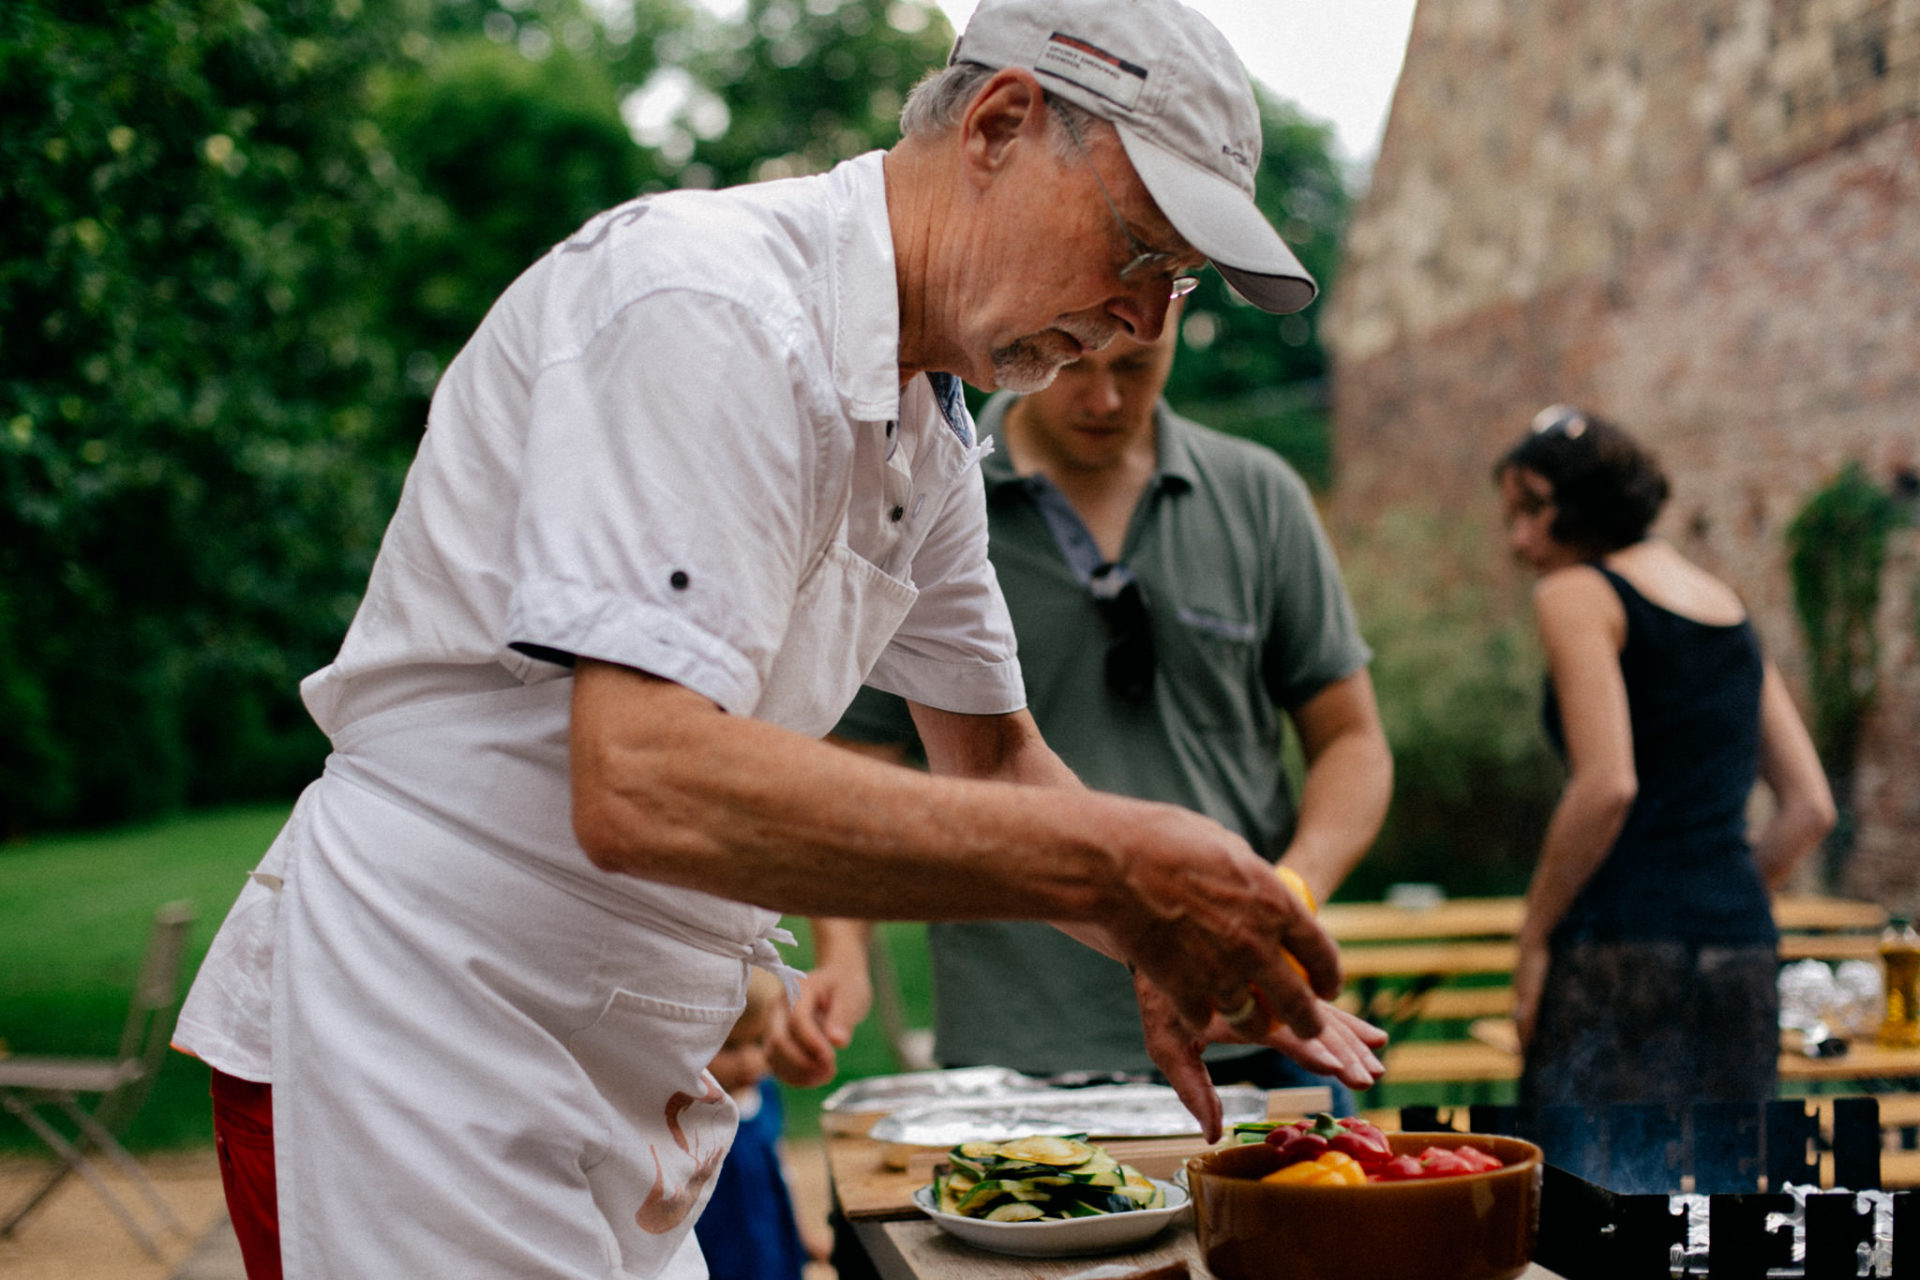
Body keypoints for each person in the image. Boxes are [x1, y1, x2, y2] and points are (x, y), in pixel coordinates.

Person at [171, 0, 1387, 1275]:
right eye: (1140, 246)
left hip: (611, 1070)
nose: (1145, 323)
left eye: (1177, 283)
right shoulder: (710, 302)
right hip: (419, 1038)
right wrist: (1112, 863)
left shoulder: (929, 436)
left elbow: (993, 760)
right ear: (1000, 122)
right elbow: (641, 776)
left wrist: (1169, 927)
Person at [778, 304, 1392, 1110]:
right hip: (1017, 1037)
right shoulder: (929, 493)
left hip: (1249, 1013)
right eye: (1078, 366)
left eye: (1137, 368)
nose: (1103, 399)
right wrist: (843, 952)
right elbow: (863, 765)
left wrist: (1280, 897)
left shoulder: (1259, 498)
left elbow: (1353, 742)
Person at [1494, 404, 1836, 1108]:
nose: (1517, 541)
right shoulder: (1727, 606)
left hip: (1618, 947)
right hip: (1741, 946)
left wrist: (1533, 939)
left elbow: (1607, 784)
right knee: (1728, 1204)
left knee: (1592, 1200)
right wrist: (1715, 897)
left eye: (1530, 511)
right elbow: (1809, 809)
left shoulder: (1575, 593)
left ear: (1583, 502)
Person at [694, 969, 819, 1280]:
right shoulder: (690, 1114)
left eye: (760, 1041)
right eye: (731, 1047)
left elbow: (779, 1172)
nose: (750, 1059)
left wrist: (803, 1239)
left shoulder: (767, 1094)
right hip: (717, 1255)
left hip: (772, 1249)